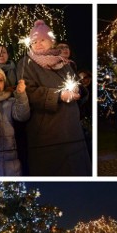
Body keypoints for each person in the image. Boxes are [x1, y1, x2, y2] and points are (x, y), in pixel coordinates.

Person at [19, 20, 91, 176]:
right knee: (54, 169)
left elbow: (77, 84)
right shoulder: (26, 63)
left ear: (51, 41)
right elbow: (29, 92)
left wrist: (78, 91)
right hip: (47, 131)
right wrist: (58, 95)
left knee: (76, 169)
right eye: (34, 41)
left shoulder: (63, 62)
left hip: (72, 128)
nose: (38, 44)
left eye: (42, 40)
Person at [0, 66, 30, 176]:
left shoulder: (10, 101)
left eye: (1, 80)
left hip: (11, 158)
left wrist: (21, 95)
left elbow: (22, 116)